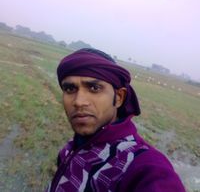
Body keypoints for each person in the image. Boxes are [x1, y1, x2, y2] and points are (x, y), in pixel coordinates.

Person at [46, 48, 186, 192]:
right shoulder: (71, 147)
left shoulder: (142, 165)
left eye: (94, 88)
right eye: (69, 89)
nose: (79, 101)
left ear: (119, 97)